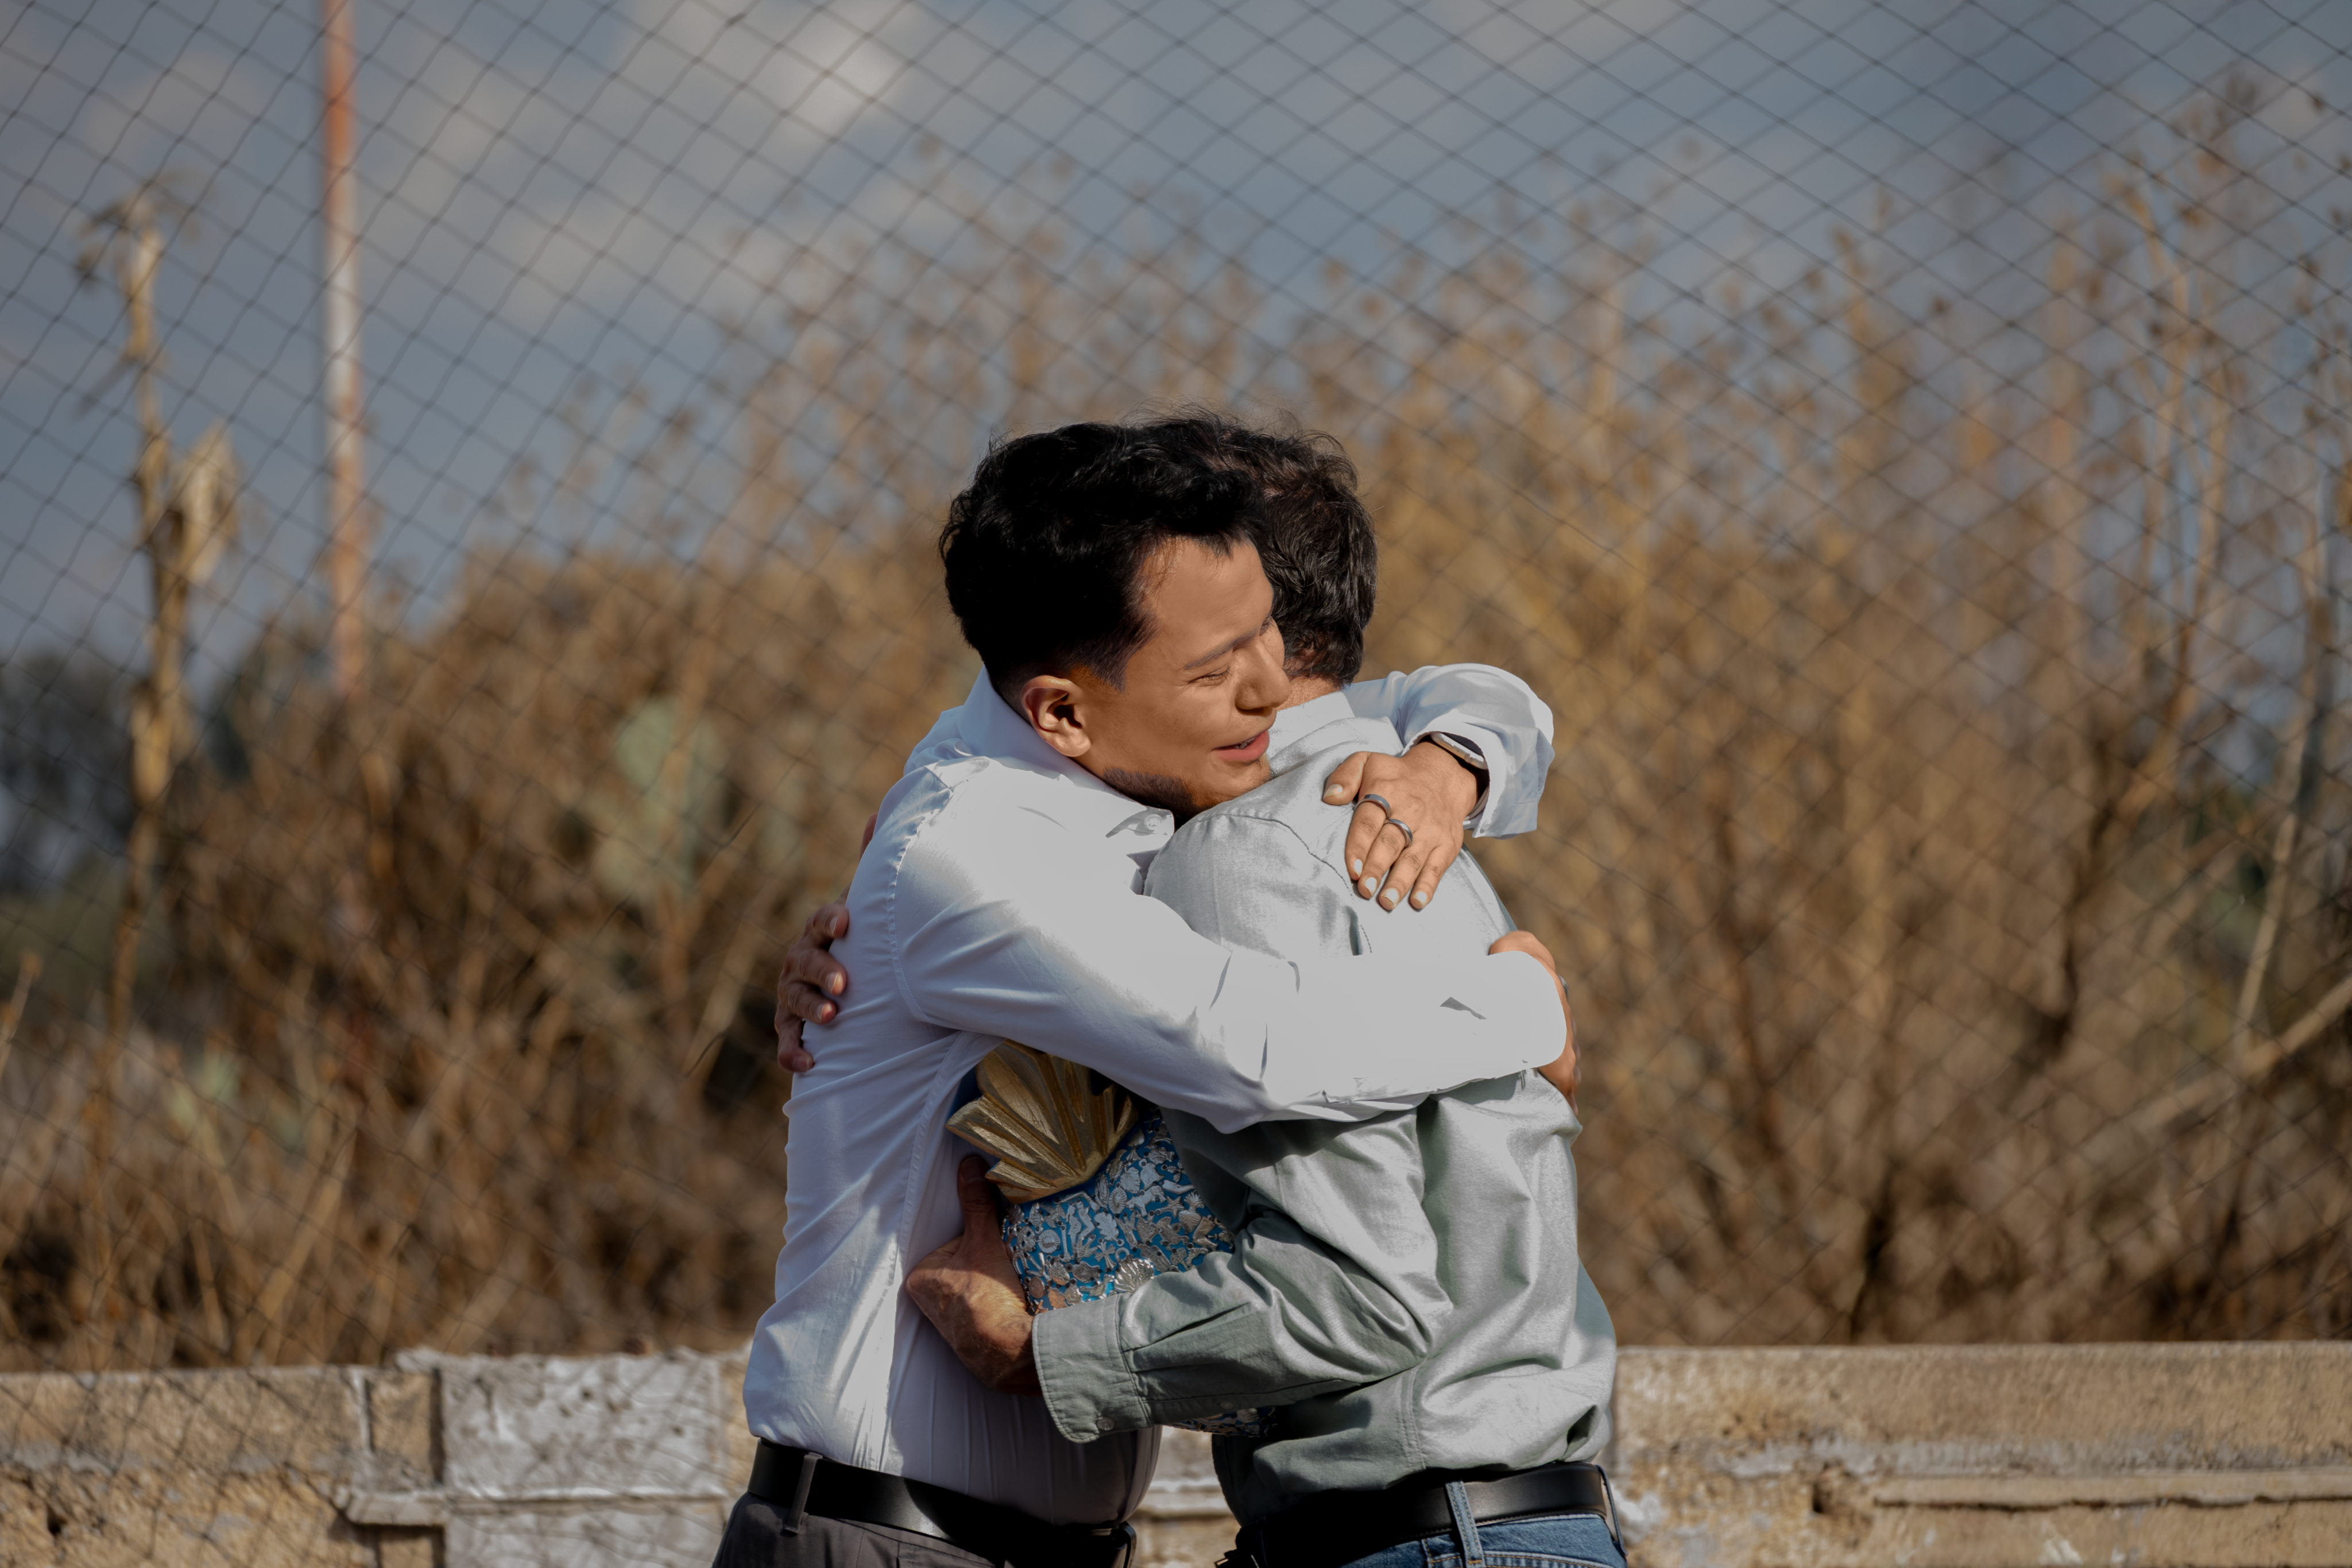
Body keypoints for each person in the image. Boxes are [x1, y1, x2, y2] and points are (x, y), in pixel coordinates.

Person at [718, 421, 1577, 1568]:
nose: (1274, 692)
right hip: (891, 1537)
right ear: (1061, 713)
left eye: (1265, 630)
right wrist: (1511, 1017)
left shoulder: (1172, 743)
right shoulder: (969, 855)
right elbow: (1241, 1045)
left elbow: (1469, 695)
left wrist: (1448, 764)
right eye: (1222, 667)